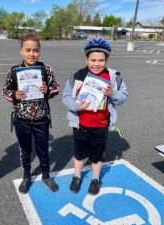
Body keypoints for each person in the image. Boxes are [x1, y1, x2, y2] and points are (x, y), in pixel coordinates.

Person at [62, 37, 128, 195]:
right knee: (79, 153)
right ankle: (77, 176)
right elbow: (66, 96)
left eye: (101, 60)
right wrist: (77, 106)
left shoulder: (113, 77)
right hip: (81, 124)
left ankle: (95, 178)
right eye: (93, 60)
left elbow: (124, 97)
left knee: (97, 155)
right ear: (87, 59)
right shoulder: (78, 76)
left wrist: (112, 93)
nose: (96, 64)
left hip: (101, 125)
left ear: (106, 60)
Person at [2, 33, 60, 194]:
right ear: (21, 51)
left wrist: (48, 90)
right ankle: (26, 176)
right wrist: (14, 95)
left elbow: (56, 88)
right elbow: (5, 91)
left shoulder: (46, 70)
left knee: (43, 149)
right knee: (25, 150)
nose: (31, 54)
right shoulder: (14, 71)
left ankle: (46, 175)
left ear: (39, 51)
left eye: (35, 50)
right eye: (28, 50)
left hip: (41, 118)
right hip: (22, 119)